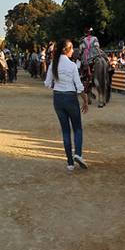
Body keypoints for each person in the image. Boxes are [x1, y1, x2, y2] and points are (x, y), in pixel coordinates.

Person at [44, 39, 89, 171]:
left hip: (58, 98)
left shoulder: (53, 64)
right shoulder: (72, 65)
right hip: (70, 98)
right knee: (77, 128)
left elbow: (47, 83)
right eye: (72, 48)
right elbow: (79, 87)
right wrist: (85, 101)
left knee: (65, 131)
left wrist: (56, 85)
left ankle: (70, 163)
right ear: (67, 50)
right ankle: (78, 154)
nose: (73, 51)